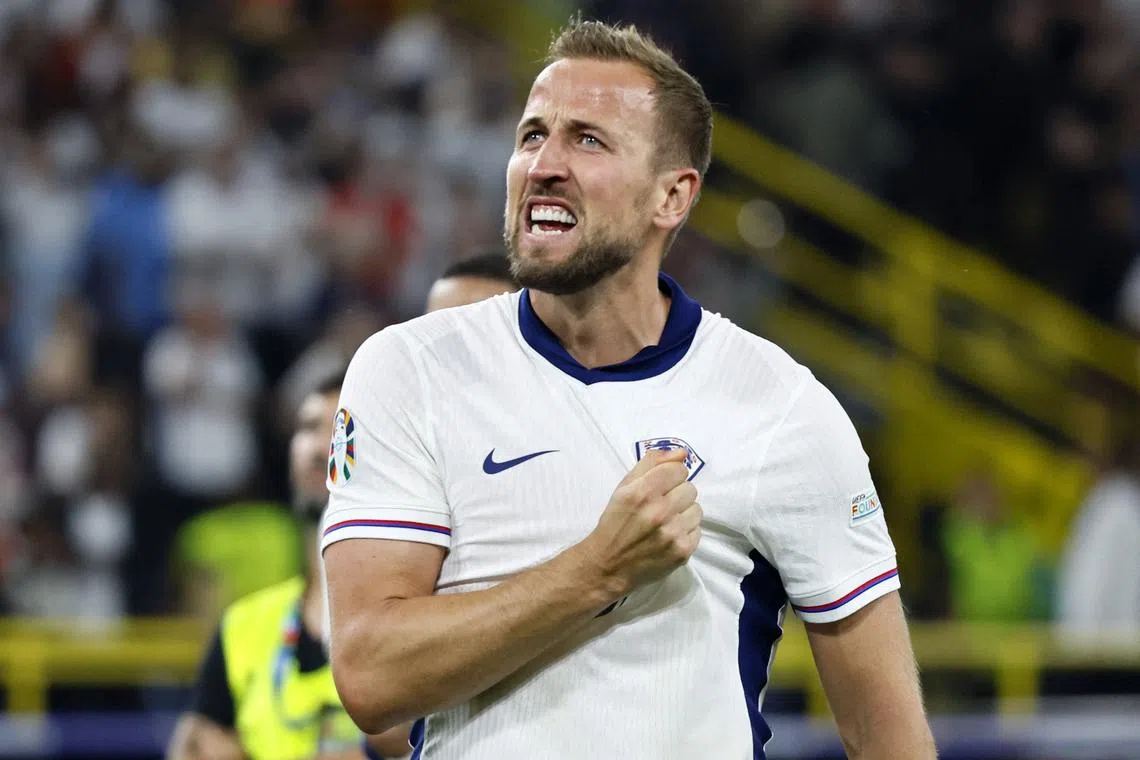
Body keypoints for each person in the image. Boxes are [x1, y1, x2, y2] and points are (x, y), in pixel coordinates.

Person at [323, 19, 935, 760]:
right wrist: (599, 570)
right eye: (531, 135)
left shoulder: (782, 408)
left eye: (588, 140)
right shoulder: (410, 370)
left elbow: (889, 737)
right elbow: (369, 675)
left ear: (671, 197)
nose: (544, 164)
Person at [166, 374, 412, 760]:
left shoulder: (414, 614)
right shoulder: (244, 628)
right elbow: (193, 748)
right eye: (309, 427)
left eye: (339, 428)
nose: (319, 447)